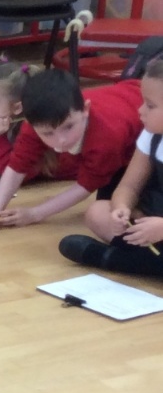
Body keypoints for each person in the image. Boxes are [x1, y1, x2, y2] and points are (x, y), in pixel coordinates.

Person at [0, 68, 141, 239]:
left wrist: (35, 214)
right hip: (127, 109)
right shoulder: (35, 126)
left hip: (144, 122)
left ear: (85, 110)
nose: (61, 140)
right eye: (48, 133)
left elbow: (85, 187)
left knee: (123, 208)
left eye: (68, 127)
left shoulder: (106, 136)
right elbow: (15, 168)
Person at [53, 56, 163, 275]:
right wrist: (121, 208)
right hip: (151, 216)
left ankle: (113, 259)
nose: (140, 110)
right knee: (97, 212)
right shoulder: (151, 135)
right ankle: (148, 263)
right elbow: (129, 186)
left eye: (150, 105)